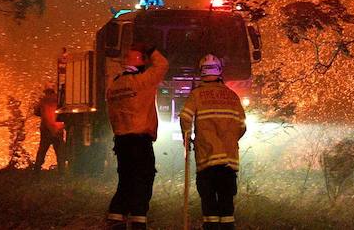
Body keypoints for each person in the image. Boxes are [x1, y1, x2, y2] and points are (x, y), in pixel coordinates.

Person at [105, 43, 169, 227]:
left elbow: (112, 114)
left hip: (121, 140)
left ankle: (116, 218)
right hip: (140, 141)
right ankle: (138, 221)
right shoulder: (143, 81)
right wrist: (151, 50)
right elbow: (162, 65)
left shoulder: (114, 85)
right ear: (141, 61)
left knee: (125, 181)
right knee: (143, 180)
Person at [179, 54, 247, 228]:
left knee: (209, 206)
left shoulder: (197, 94)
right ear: (219, 72)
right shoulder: (232, 96)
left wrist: (187, 138)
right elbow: (242, 126)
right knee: (226, 207)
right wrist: (231, 140)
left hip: (207, 159)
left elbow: (185, 117)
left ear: (201, 72)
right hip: (229, 162)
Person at [33, 85, 66, 172]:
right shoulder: (59, 100)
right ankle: (62, 171)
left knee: (42, 151)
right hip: (58, 129)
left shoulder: (43, 100)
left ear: (46, 91)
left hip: (46, 130)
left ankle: (36, 170)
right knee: (60, 152)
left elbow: (36, 112)